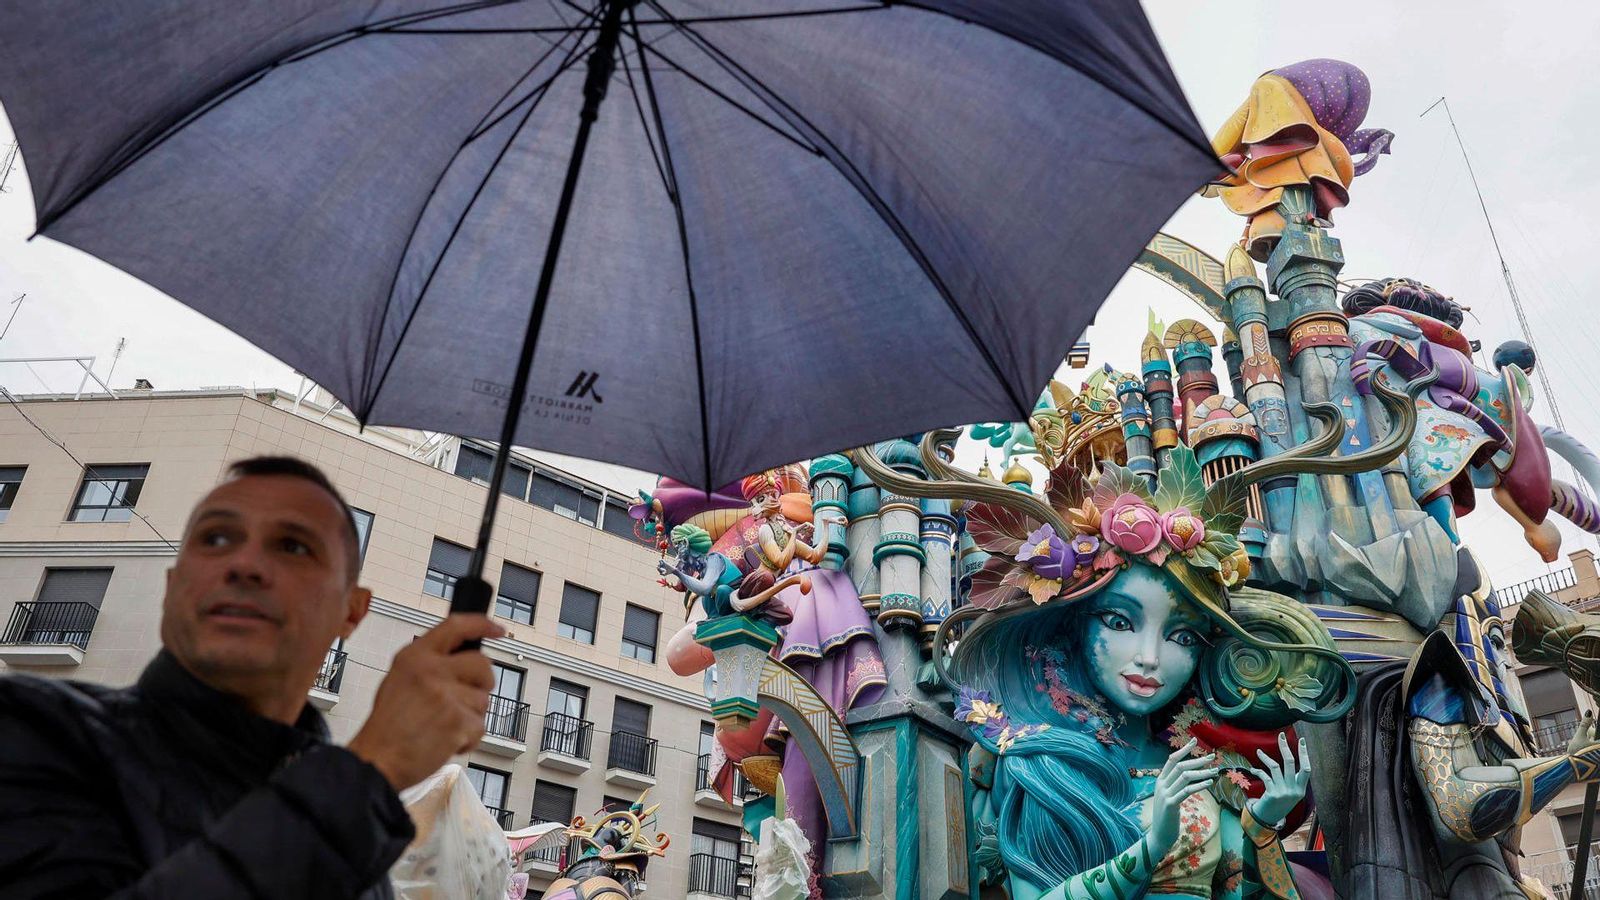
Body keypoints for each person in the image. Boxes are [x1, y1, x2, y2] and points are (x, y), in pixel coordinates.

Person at [0, 456, 504, 898]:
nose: (244, 564)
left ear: (352, 611)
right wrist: (374, 769)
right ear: (174, 587)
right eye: (216, 538)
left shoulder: (361, 844)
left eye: (293, 546)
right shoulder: (33, 729)